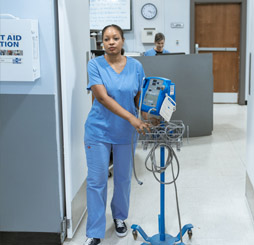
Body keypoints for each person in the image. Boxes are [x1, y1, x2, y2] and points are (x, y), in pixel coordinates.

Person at [83, 24, 150, 245]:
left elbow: (138, 99)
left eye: (115, 38)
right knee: (96, 181)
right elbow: (102, 98)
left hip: (125, 133)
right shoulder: (94, 65)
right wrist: (132, 118)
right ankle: (94, 231)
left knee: (122, 179)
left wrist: (153, 113)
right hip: (98, 130)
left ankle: (120, 217)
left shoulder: (136, 66)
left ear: (122, 41)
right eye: (107, 39)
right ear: (102, 43)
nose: (111, 42)